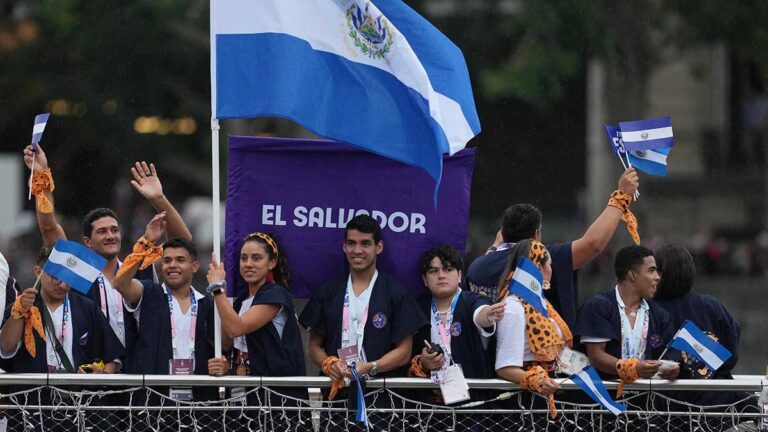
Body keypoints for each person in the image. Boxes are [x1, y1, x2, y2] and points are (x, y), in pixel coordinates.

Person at [23, 144, 191, 356]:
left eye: (114, 230)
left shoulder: (141, 265)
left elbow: (183, 245)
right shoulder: (78, 270)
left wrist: (158, 199)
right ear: (88, 242)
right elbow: (48, 227)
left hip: (139, 372)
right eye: (102, 232)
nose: (111, 235)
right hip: (91, 373)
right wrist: (41, 176)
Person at [466, 168, 640, 328]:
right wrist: (621, 197)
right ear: (537, 234)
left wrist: (496, 245)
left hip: (488, 358)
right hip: (538, 356)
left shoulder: (476, 268)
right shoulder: (539, 259)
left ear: (502, 232)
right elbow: (593, 244)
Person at [299, 214, 426, 404]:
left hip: (382, 397)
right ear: (344, 246)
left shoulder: (396, 293)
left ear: (379, 247)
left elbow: (404, 352)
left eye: (365, 243)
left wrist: (370, 367)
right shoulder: (328, 291)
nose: (357, 250)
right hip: (337, 396)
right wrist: (329, 364)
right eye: (351, 243)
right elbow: (314, 346)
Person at [0, 246, 124, 431]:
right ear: (38, 272)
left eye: (68, 277)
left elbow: (112, 356)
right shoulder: (23, 306)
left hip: (80, 406)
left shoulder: (87, 308)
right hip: (31, 406)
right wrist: (18, 313)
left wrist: (102, 376)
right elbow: (5, 348)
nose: (62, 284)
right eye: (55, 276)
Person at [112, 214, 218, 413]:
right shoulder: (149, 293)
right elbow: (120, 283)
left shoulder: (207, 304)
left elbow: (224, 347)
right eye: (167, 260)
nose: (172, 266)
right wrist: (147, 242)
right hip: (153, 404)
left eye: (180, 260)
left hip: (199, 404)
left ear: (194, 266)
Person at [654, 244, 756, 427]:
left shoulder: (648, 309)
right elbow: (730, 354)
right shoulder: (710, 306)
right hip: (717, 405)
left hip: (666, 409)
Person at [206, 232, 305, 402]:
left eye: (256, 258)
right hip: (242, 396)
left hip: (274, 400)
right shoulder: (240, 302)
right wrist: (225, 365)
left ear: (271, 263)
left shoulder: (275, 295)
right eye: (243, 258)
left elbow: (236, 328)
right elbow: (226, 342)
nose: (248, 264)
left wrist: (217, 289)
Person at [575, 245, 679, 394]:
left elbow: (666, 354)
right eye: (651, 270)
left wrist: (668, 369)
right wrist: (633, 369)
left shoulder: (660, 315)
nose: (657, 277)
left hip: (645, 404)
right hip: (604, 402)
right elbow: (596, 356)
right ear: (633, 275)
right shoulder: (598, 306)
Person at [408, 244, 504, 405]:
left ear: (459, 275)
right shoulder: (416, 308)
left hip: (473, 404)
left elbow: (480, 313)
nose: (441, 275)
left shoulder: (472, 300)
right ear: (425, 279)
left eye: (448, 269)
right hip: (429, 405)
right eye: (433, 271)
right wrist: (424, 362)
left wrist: (487, 315)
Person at [494, 240, 573, 419]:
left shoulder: (542, 306)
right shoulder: (513, 307)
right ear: (539, 267)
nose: (551, 270)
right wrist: (536, 381)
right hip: (524, 404)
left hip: (547, 395)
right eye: (550, 265)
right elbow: (505, 368)